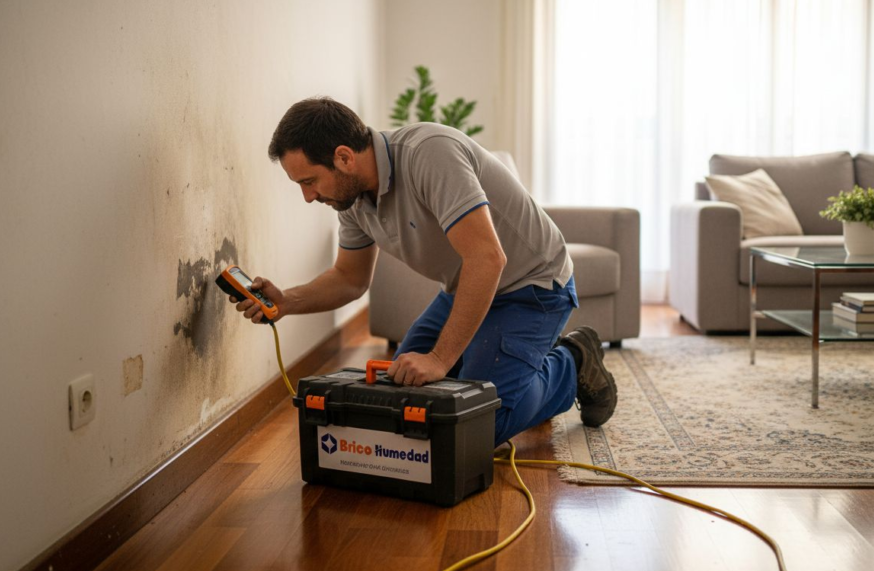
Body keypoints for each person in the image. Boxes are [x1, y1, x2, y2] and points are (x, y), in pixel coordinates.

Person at [231, 96, 617, 446]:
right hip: (464, 287)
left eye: (309, 181)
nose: (308, 196)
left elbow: (487, 259)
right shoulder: (349, 201)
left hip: (532, 285)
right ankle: (502, 363)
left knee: (480, 422)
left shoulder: (429, 154)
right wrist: (286, 302)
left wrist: (439, 359)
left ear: (344, 157)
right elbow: (350, 279)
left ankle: (572, 361)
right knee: (400, 399)